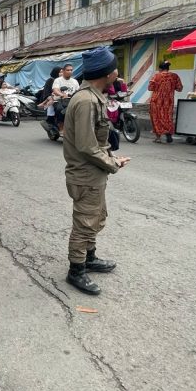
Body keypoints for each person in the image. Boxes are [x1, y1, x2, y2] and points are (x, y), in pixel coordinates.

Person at [63, 47, 130, 296]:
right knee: (84, 223)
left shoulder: (94, 97)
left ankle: (89, 258)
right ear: (107, 73)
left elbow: (96, 144)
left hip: (94, 173)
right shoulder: (86, 101)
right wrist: (112, 163)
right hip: (85, 175)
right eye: (115, 68)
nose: (117, 72)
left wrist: (111, 158)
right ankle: (76, 270)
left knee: (95, 218)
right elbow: (86, 146)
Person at [148, 61, 183, 143]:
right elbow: (180, 88)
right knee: (168, 117)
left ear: (160, 69)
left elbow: (150, 88)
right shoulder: (174, 76)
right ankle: (168, 133)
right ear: (168, 68)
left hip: (156, 101)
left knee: (156, 118)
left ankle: (158, 138)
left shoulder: (156, 76)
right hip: (169, 101)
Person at [52, 63, 80, 135]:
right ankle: (61, 127)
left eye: (71, 70)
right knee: (60, 110)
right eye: (68, 70)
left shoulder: (75, 81)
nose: (70, 71)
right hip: (59, 100)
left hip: (71, 100)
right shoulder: (58, 80)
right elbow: (55, 90)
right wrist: (62, 95)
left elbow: (78, 91)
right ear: (63, 71)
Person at [38, 66, 63, 137]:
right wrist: (52, 98)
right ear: (56, 73)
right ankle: (52, 123)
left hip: (62, 99)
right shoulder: (50, 80)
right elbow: (47, 93)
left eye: (62, 72)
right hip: (52, 100)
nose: (62, 73)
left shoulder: (62, 81)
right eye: (60, 72)